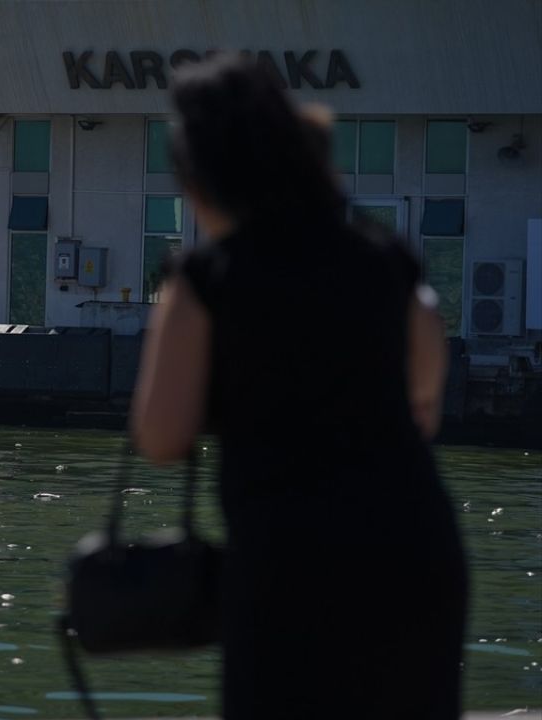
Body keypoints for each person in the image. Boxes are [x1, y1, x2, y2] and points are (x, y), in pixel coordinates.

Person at [130, 55, 467, 719]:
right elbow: (426, 385)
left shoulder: (204, 280)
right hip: (415, 549)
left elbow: (162, 436)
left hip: (289, 564)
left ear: (200, 184)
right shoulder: (384, 258)